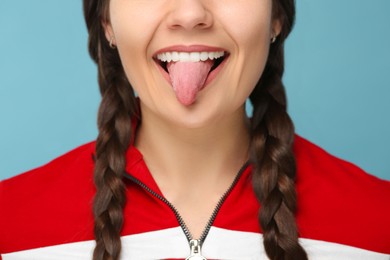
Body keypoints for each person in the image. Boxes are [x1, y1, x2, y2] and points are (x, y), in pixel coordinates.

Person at [0, 0, 389, 259]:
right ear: (107, 22)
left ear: (276, 16)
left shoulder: (378, 227)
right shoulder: (11, 227)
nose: (189, 14)